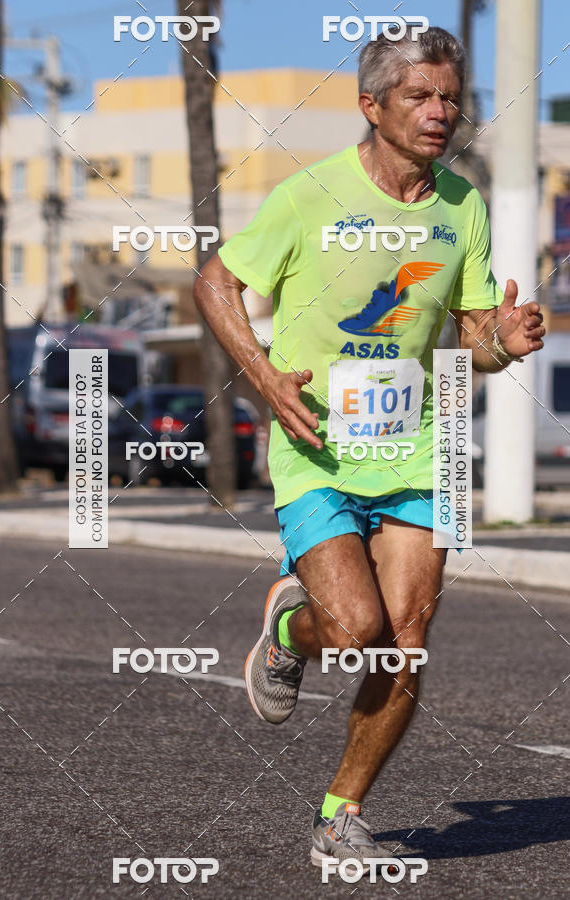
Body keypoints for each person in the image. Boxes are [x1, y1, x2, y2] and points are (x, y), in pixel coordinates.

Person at [194, 26, 545, 874]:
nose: (440, 111)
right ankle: (288, 629)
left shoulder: (462, 206)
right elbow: (215, 280)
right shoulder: (310, 197)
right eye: (420, 96)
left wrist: (503, 338)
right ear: (371, 106)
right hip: (318, 452)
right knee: (354, 631)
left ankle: (339, 815)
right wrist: (267, 377)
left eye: (449, 96)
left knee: (407, 635)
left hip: (422, 451)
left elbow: (467, 343)